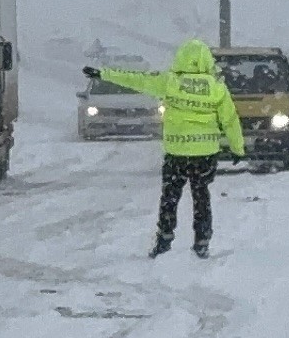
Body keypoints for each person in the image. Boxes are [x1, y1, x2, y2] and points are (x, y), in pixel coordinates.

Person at [91, 38, 245, 257]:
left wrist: (104, 74)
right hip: (205, 155)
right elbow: (230, 120)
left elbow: (138, 81)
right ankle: (202, 241)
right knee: (201, 197)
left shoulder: (170, 83)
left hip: (177, 154)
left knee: (170, 197)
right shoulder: (216, 88)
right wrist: (237, 148)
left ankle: (164, 240)